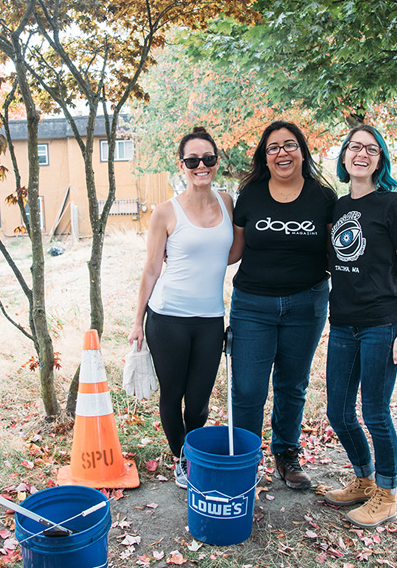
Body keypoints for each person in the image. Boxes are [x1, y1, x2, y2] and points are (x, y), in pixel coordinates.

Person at [227, 121, 337, 490]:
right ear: (265, 156)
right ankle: (244, 460)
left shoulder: (323, 198)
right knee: (248, 389)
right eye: (273, 147)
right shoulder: (251, 196)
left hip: (307, 303)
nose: (282, 152)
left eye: (289, 145)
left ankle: (287, 454)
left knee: (292, 384)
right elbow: (234, 252)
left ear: (302, 152)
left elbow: (335, 252)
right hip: (252, 305)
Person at [319, 125, 397, 528]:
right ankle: (363, 479)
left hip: (381, 323)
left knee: (375, 412)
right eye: (355, 147)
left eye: (372, 149)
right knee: (339, 412)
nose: (362, 153)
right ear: (344, 156)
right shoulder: (338, 208)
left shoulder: (394, 205)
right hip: (343, 323)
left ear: (380, 159)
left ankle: (387, 492)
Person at [128, 127, 235, 489]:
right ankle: (182, 460)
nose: (201, 165)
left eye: (207, 158)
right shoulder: (165, 212)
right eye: (193, 160)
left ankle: (192, 451)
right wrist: (137, 321)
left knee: (200, 401)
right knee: (173, 395)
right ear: (182, 165)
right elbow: (152, 268)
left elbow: (232, 252)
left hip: (209, 320)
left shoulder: (227, 202)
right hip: (167, 318)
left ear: (216, 162)